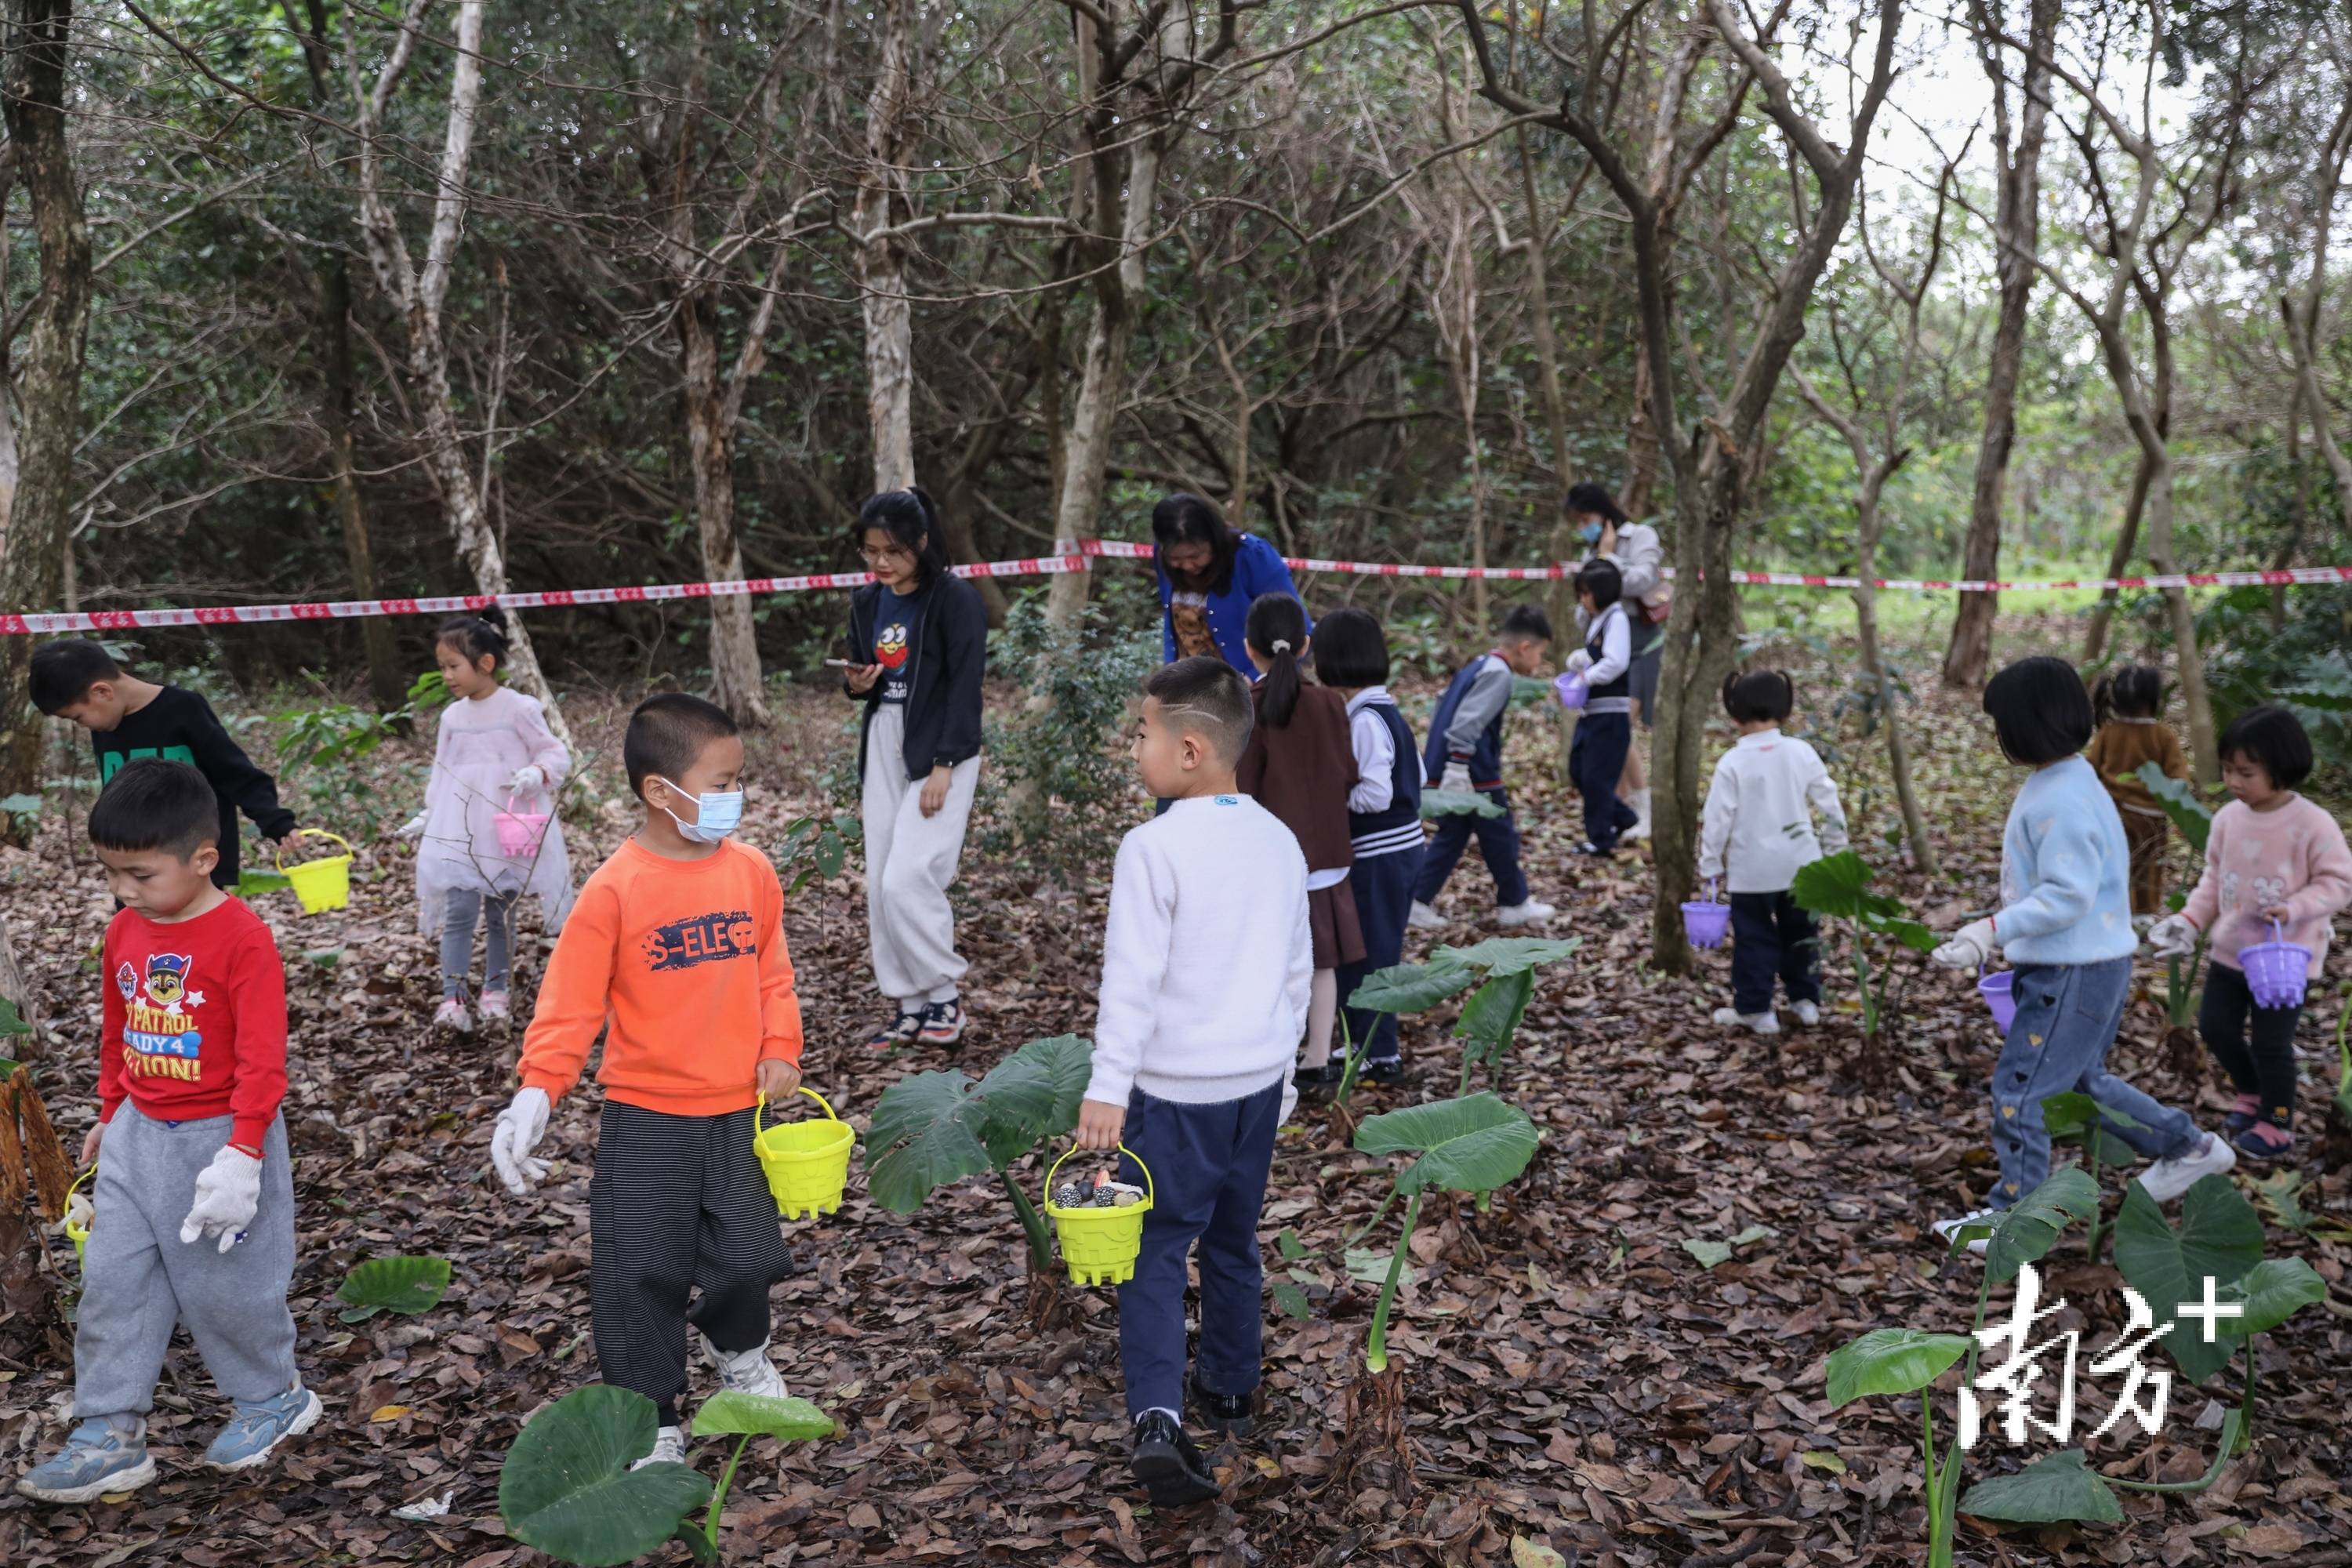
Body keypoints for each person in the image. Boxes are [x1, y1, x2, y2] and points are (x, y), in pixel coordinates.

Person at [489, 694, 804, 1468]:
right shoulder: (615, 889)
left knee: (750, 1253)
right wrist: (538, 1089)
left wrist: (781, 1044)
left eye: (740, 778)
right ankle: (652, 1417)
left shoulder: (752, 872)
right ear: (661, 791)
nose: (737, 794)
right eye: (723, 779)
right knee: (642, 1271)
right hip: (646, 1113)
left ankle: (743, 1356)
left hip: (737, 1107)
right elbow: (569, 1005)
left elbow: (773, 971)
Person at [16, 760, 317, 1503]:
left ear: (203, 858)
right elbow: (118, 1029)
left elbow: (261, 1058)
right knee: (114, 1285)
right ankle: (108, 1431)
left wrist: (244, 1152)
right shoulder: (125, 929)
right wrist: (111, 1112)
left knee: (228, 1287)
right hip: (138, 1134)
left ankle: (272, 1398)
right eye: (113, 873)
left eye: (140, 874)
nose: (124, 889)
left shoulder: (242, 939)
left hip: (220, 1140)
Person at [1076, 656, 1311, 1508]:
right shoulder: (1278, 838)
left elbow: (1130, 979)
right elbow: (1297, 969)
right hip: (1254, 1086)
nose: (1133, 747)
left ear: (1186, 747)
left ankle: (1159, 1418)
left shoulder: (1152, 846)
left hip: (1174, 1093)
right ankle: (1233, 1389)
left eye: (1140, 733)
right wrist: (1284, 1079)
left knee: (1153, 1250)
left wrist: (1108, 1086)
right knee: (1234, 1240)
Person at [1929, 657, 2234, 1253]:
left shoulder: (2064, 796)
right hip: (2087, 964)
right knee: (2082, 1085)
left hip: (2072, 970)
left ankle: (2012, 1225)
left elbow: (2066, 897)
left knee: (2023, 1095)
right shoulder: (2066, 780)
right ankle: (2188, 1146)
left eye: (2002, 727)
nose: (1999, 740)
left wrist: (1990, 928)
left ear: (2028, 727)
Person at [2150, 706, 2352, 1161]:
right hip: (2230, 950)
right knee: (2216, 1028)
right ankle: (2251, 1092)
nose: (2235, 781)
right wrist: (2188, 922)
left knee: (2271, 1043)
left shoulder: (2312, 824)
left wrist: (2295, 907)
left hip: (2285, 959)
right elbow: (2213, 882)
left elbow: (2339, 882)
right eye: (2228, 770)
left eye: (2247, 772)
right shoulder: (2227, 820)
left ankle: (2277, 1121)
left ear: (2282, 770)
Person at [843, 488, 987, 1049]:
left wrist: (945, 764)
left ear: (922, 545)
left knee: (909, 878)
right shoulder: (866, 601)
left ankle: (944, 997)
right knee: (881, 880)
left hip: (941, 747)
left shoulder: (955, 600)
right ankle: (907, 1003)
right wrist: (855, 684)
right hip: (884, 737)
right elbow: (862, 675)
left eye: (893, 551)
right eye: (871, 550)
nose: (881, 562)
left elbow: (965, 686)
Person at [398, 612, 574, 1032]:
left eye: (453, 666)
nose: (447, 675)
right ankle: (452, 996)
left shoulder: (519, 709)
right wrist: (430, 811)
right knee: (459, 911)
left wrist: (537, 773)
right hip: (460, 829)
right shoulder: (452, 718)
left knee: (501, 915)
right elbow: (444, 769)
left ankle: (496, 991)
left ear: (486, 663)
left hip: (505, 828)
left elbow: (555, 753)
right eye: (441, 667)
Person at [30, 639, 296, 891]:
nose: (81, 725)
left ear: (102, 692)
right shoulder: (106, 724)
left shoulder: (183, 709)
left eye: (78, 717)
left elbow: (234, 773)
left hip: (196, 867)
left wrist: (277, 823)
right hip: (135, 872)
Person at [1234, 594, 1366, 1098]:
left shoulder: (1252, 706)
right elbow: (1347, 771)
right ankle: (1318, 1056)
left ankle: (1276, 1054)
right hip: (1329, 853)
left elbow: (1243, 786)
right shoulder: (1332, 702)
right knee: (1323, 962)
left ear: (1249, 648)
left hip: (1275, 860)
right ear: (1307, 644)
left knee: (1272, 961)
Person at [1697, 670, 1848, 1035]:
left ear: (1734, 714)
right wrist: (1836, 850)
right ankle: (1805, 1001)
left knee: (1754, 939)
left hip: (1752, 872)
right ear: (1786, 710)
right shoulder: (1801, 752)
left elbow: (1717, 818)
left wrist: (1710, 863)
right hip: (1802, 866)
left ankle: (1756, 1010)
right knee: (1802, 935)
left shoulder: (1732, 762)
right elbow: (1828, 801)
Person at [1316, 608, 1422, 1085]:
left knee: (1369, 955)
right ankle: (1364, 1043)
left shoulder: (1363, 720)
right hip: (1401, 850)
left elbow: (1377, 794)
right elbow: (1418, 776)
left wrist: (1333, 797)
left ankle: (1380, 1053)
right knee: (1372, 950)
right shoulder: (1389, 712)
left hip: (1379, 854)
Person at [1408, 605, 1557, 930]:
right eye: (1541, 654)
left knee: (1459, 834)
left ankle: (1417, 900)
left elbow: (1441, 703)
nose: (1539, 662)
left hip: (1451, 764)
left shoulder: (1478, 664)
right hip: (1473, 772)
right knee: (1499, 833)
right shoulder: (1499, 673)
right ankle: (1513, 903)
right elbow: (1467, 722)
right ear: (1525, 647)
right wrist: (1458, 766)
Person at [1566, 483, 1668, 840]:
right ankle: (1619, 809)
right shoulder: (1590, 551)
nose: (1584, 527)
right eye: (1577, 522)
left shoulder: (1639, 536)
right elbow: (1585, 610)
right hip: (1605, 651)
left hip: (1643, 644)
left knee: (1620, 727)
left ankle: (1642, 810)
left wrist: (1608, 560)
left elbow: (1644, 579)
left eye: (1586, 518)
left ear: (1604, 512)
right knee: (1614, 733)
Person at [1152, 492, 1303, 673]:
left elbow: (1296, 629)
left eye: (1196, 556)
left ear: (1214, 541)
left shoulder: (1253, 556)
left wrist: (1254, 681)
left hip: (1252, 687)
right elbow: (1171, 624)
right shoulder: (1161, 555)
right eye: (1175, 559)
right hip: (1190, 686)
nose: (1187, 565)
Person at [2084, 664, 2189, 920]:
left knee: (2115, 862)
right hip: (2151, 816)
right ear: (2155, 699)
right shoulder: (2163, 736)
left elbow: (2090, 770)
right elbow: (2179, 778)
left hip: (2113, 812)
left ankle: (2113, 908)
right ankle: (2142, 913)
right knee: (2149, 865)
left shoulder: (2109, 733)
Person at [1563, 561, 1642, 856]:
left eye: (1586, 594)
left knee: (1596, 777)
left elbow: (1615, 661)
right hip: (1592, 712)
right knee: (1579, 771)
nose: (1582, 600)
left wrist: (1587, 676)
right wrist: (1581, 659)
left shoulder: (1617, 618)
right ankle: (1624, 817)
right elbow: (1598, 653)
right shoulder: (1599, 619)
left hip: (1610, 713)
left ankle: (1601, 839)